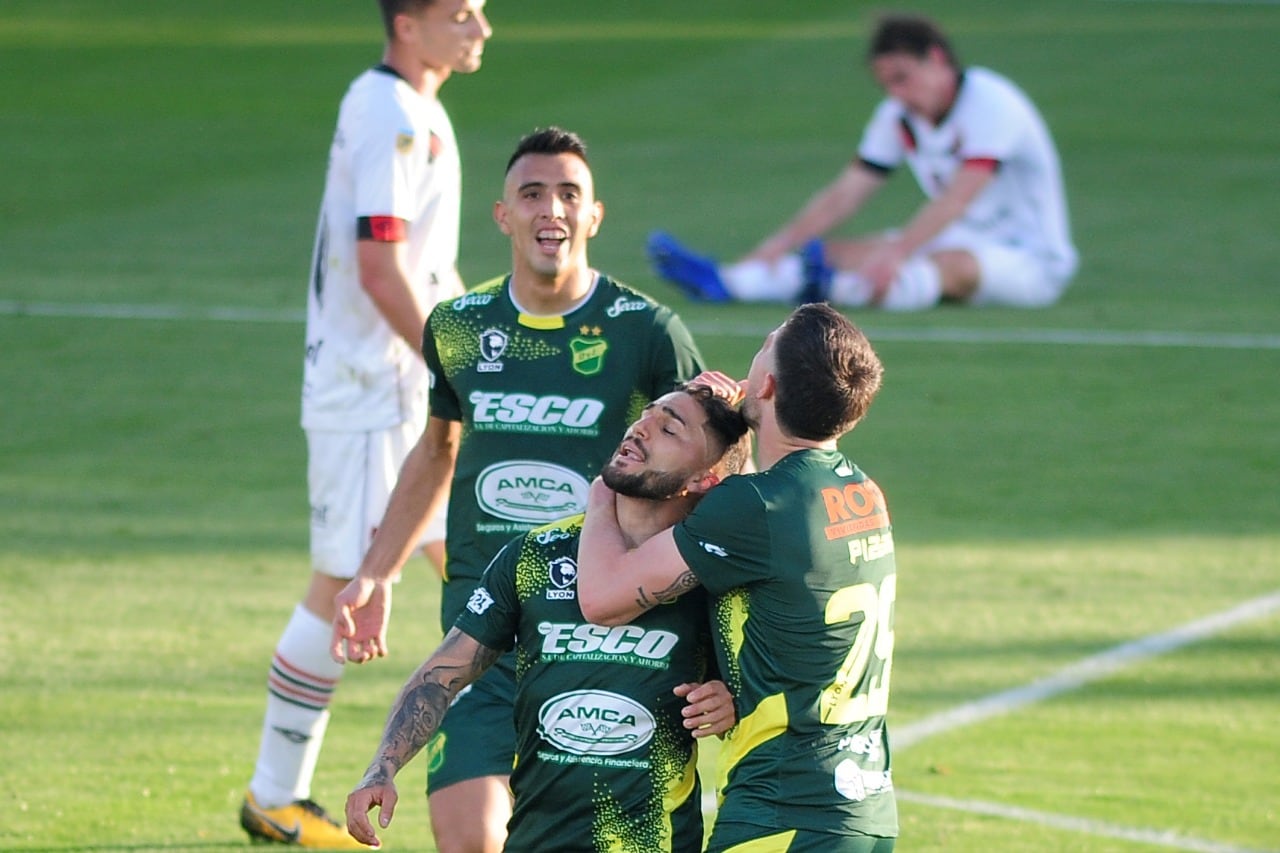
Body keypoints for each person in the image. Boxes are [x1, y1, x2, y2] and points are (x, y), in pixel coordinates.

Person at [330, 126, 707, 853]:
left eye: (570, 194)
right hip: (486, 631)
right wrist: (376, 570)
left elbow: (712, 467)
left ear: (595, 215)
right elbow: (437, 449)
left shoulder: (648, 331)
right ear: (501, 214)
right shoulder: (461, 327)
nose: (551, 210)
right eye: (532, 194)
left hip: (601, 637)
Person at [240, 1, 492, 847]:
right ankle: (275, 795)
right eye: (460, 13)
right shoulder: (385, 108)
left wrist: (478, 338)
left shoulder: (419, 107)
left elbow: (423, 261)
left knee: (478, 565)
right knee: (341, 578)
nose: (480, 29)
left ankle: (526, 755)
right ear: (408, 23)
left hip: (398, 381)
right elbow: (380, 268)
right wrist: (446, 358)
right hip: (368, 387)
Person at [344, 384, 752, 850]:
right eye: (646, 415)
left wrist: (730, 699)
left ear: (705, 479)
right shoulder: (535, 555)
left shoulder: (710, 575)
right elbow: (442, 675)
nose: (641, 428)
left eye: (669, 428)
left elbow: (772, 687)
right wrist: (383, 767)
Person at [577, 303, 899, 852]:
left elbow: (603, 599)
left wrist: (608, 485)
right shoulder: (861, 491)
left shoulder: (755, 507)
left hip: (784, 812)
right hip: (865, 814)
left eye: (765, 344)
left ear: (768, 383)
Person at [649, 12, 1077, 311]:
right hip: (959, 235)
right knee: (834, 253)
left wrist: (896, 252)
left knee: (948, 267)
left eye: (903, 77)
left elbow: (957, 200)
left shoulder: (990, 102)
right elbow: (845, 194)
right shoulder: (899, 116)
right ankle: (727, 282)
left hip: (1032, 260)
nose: (897, 93)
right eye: (887, 83)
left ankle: (833, 293)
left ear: (938, 59)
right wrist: (780, 243)